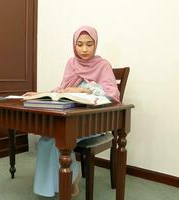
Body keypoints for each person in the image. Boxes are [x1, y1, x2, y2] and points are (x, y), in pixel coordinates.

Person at [28, 25, 120, 198]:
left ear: (95, 44)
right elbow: (62, 89)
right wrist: (41, 94)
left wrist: (86, 90)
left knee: (60, 139)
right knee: (46, 139)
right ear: (74, 45)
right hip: (70, 119)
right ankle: (53, 187)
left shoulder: (103, 65)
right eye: (79, 44)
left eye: (89, 44)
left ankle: (71, 179)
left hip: (93, 121)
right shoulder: (71, 63)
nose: (84, 49)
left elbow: (112, 95)